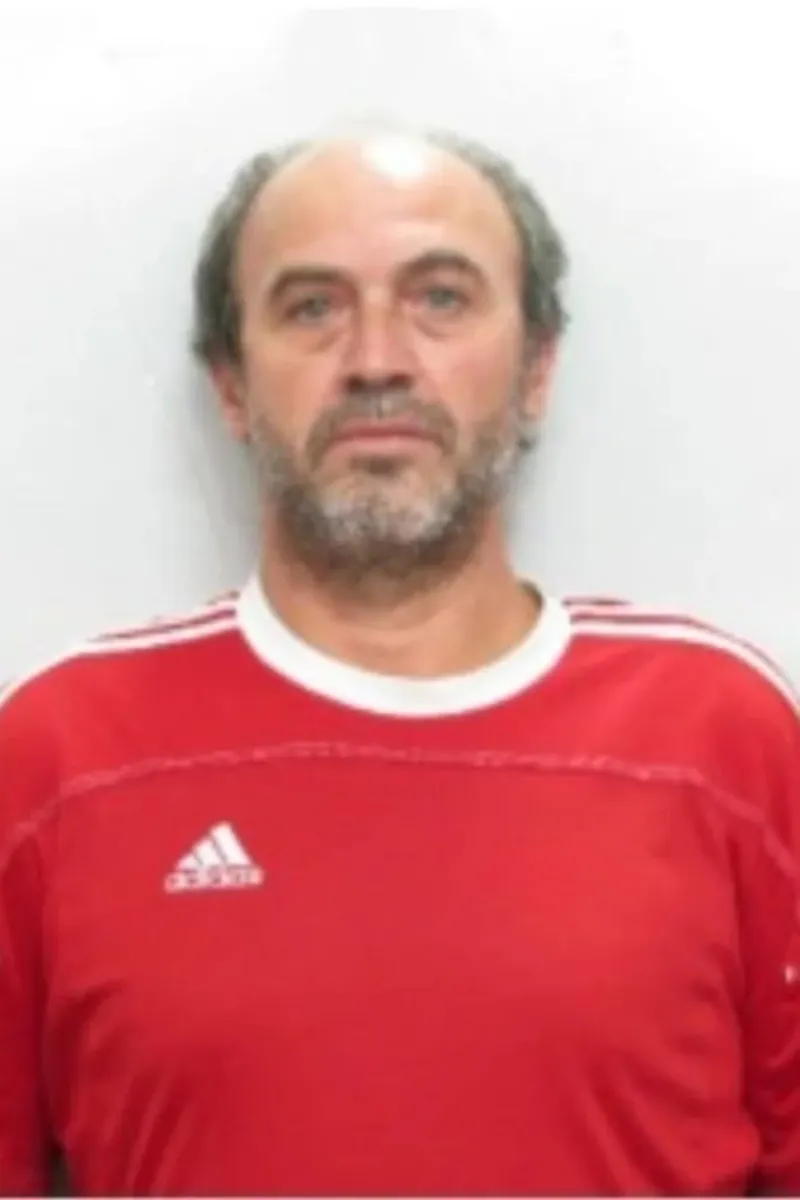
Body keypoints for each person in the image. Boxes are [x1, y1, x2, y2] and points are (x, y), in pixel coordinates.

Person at [0, 124, 798, 1199]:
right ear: (232, 385)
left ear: (536, 370)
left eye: (440, 298)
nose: (376, 359)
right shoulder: (58, 758)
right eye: (312, 307)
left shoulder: (724, 734)